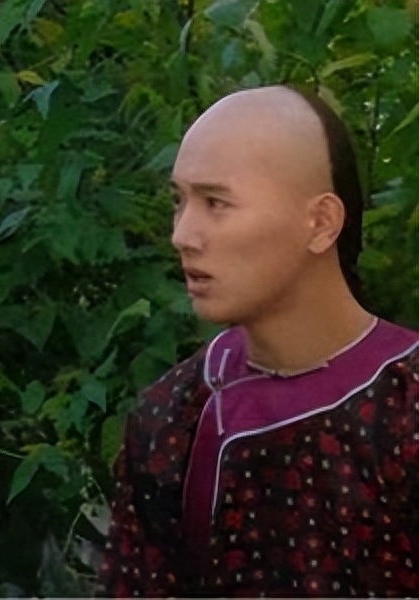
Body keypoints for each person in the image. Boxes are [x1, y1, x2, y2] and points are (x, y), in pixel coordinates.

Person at [97, 85, 418, 597]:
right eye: (179, 201)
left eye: (216, 202)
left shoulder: (405, 407)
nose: (183, 234)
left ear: (321, 222)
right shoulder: (173, 417)